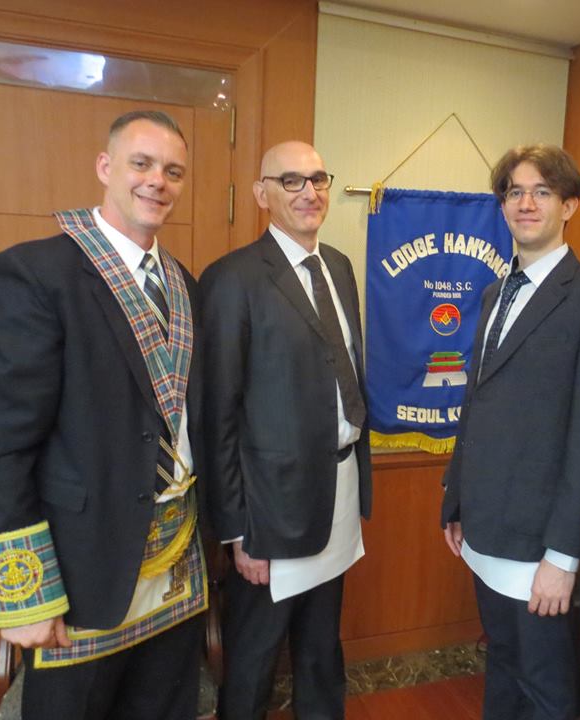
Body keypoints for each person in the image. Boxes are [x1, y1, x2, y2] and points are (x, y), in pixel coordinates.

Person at [0, 110, 207, 720]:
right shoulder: (37, 273)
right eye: (141, 164)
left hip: (176, 558)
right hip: (82, 561)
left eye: (173, 171)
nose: (157, 180)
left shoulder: (184, 284)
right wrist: (25, 595)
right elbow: (6, 441)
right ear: (105, 167)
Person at [441, 144, 580, 720]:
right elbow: (476, 404)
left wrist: (565, 557)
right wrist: (456, 500)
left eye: (542, 192)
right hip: (485, 530)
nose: (525, 203)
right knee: (502, 661)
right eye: (514, 192)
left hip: (540, 547)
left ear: (569, 205)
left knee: (547, 686)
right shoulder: (494, 293)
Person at [199, 141, 371, 720]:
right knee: (254, 656)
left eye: (318, 179)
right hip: (268, 512)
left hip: (337, 490)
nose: (309, 192)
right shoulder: (233, 279)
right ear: (261, 194)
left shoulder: (339, 267)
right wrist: (236, 530)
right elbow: (217, 414)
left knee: (321, 649)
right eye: (291, 180)